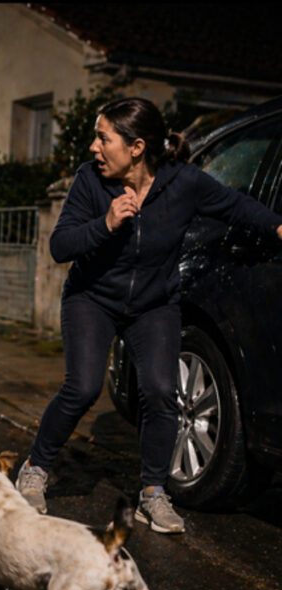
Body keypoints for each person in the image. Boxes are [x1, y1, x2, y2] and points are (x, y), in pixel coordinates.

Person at [15, 97, 282, 533]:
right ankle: (35, 468)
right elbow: (60, 246)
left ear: (136, 147)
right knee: (81, 388)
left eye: (104, 138)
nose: (94, 148)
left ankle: (153, 494)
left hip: (154, 305)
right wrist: (105, 223)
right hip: (92, 298)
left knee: (161, 392)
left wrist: (277, 227)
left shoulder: (184, 182)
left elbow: (235, 205)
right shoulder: (90, 182)